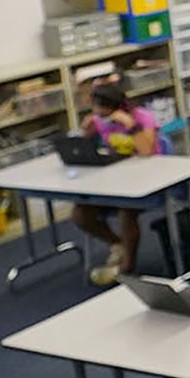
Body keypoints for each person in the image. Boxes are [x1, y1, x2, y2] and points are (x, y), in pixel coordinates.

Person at [71, 82, 161, 285]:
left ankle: (126, 267)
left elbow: (147, 151)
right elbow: (91, 151)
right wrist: (86, 134)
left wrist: (131, 126)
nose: (98, 114)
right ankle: (117, 244)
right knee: (81, 214)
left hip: (147, 179)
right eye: (95, 109)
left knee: (126, 211)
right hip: (114, 179)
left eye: (102, 109)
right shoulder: (100, 121)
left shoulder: (142, 118)